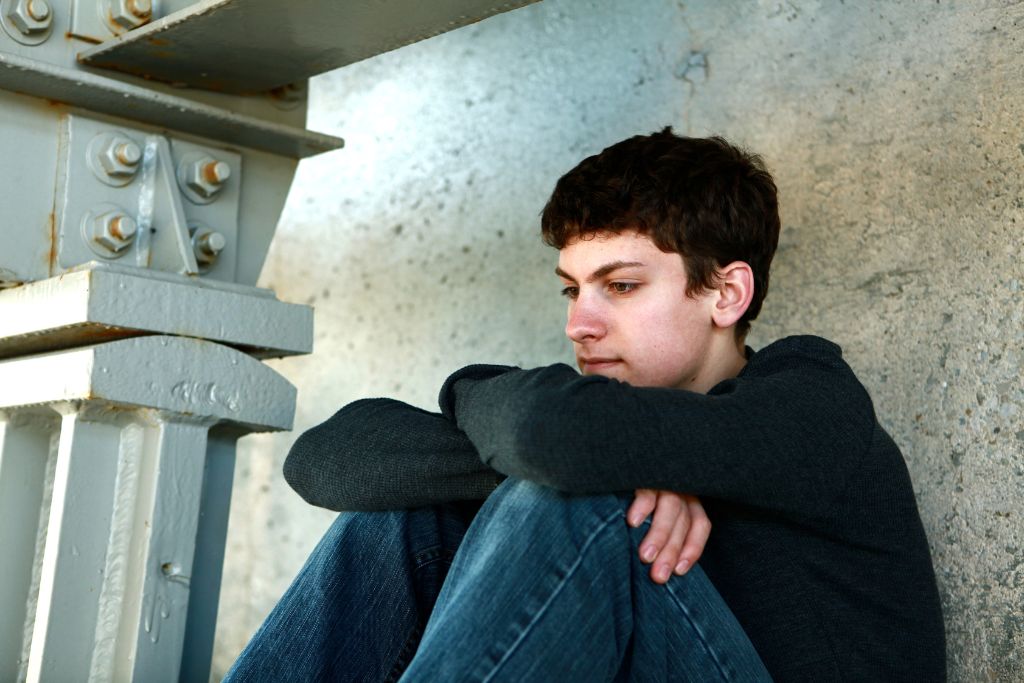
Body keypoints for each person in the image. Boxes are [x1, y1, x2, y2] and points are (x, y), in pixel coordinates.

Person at [225, 129, 946, 682]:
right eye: (572, 289)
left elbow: (552, 433)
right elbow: (322, 461)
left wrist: (589, 466)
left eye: (621, 286)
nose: (579, 324)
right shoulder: (597, 420)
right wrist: (617, 462)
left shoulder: (812, 403)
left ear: (727, 293)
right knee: (409, 511)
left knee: (574, 498)